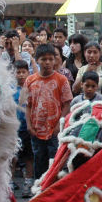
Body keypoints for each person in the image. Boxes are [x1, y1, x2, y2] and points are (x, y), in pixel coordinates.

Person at [23, 44, 73, 178]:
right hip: (36, 129)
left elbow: (67, 104)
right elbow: (27, 105)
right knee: (39, 161)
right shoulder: (30, 80)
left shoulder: (61, 80)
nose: (47, 63)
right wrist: (29, 125)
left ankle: (52, 191)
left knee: (55, 162)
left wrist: (59, 125)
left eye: (51, 59)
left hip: (54, 130)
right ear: (37, 60)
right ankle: (39, 191)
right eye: (44, 59)